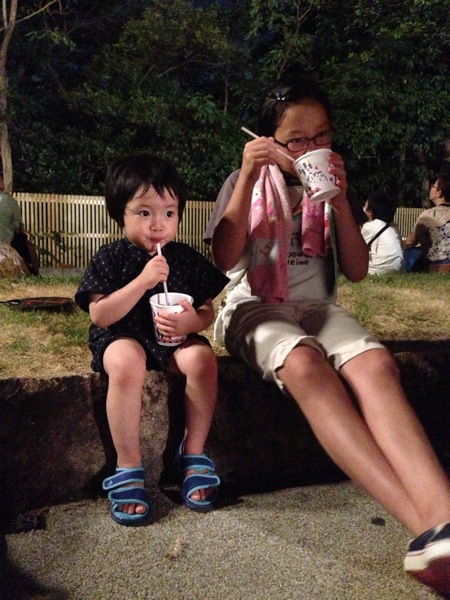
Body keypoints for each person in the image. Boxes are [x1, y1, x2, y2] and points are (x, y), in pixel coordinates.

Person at [204, 72, 450, 595]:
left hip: (318, 306)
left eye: (322, 136)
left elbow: (357, 271)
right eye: (296, 140)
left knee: (376, 364)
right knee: (305, 364)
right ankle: (424, 529)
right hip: (256, 305)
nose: (311, 147)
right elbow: (223, 258)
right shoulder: (242, 180)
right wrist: (246, 177)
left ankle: (445, 518)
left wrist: (339, 202)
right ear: (268, 140)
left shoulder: (333, 185)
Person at [75, 154, 229, 525]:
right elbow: (100, 314)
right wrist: (143, 281)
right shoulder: (111, 257)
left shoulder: (184, 258)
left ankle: (192, 455)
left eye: (169, 213)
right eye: (144, 213)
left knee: (202, 360)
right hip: (122, 333)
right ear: (120, 214)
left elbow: (206, 309)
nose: (158, 224)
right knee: (127, 361)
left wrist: (192, 322)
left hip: (172, 337)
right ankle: (128, 465)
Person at [404, 172, 450, 271]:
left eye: (433, 186)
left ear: (439, 193)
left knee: (409, 253)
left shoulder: (428, 215)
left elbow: (410, 242)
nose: (430, 188)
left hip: (437, 264)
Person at [361, 191, 403, 275]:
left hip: (377, 271)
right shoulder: (394, 228)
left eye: (365, 207)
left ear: (370, 211)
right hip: (397, 270)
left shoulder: (370, 226)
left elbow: (354, 246)